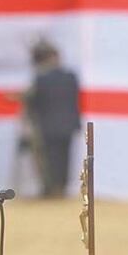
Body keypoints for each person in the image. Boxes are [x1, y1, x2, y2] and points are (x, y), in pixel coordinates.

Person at [26, 40, 81, 197]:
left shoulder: (41, 79)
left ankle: (51, 189)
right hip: (67, 124)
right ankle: (61, 188)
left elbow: (33, 101)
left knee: (50, 160)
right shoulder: (70, 76)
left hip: (48, 125)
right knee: (64, 159)